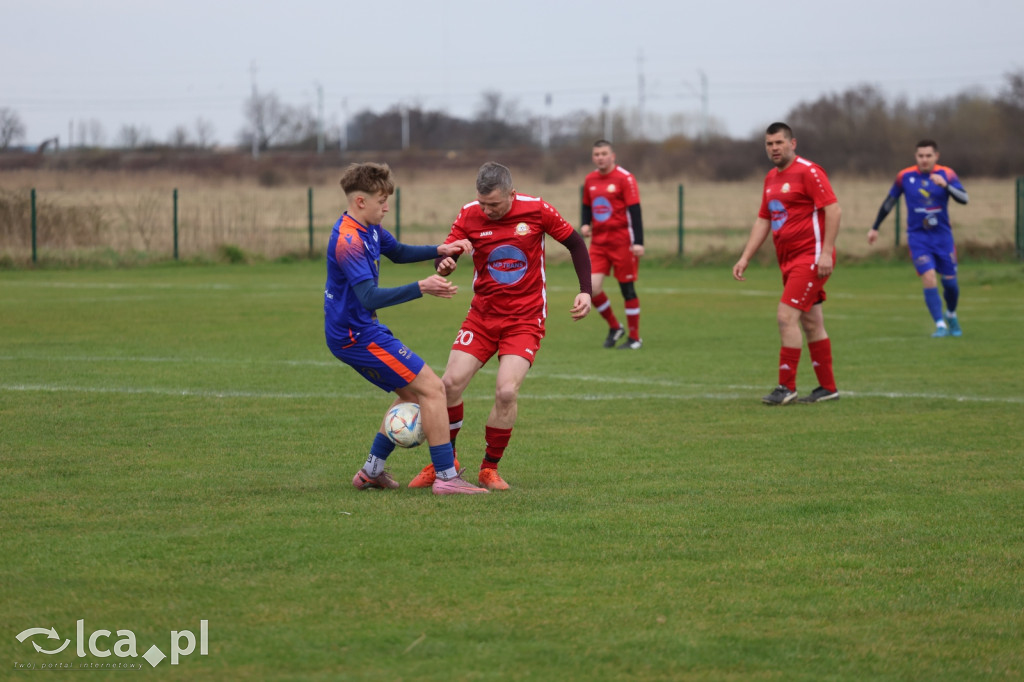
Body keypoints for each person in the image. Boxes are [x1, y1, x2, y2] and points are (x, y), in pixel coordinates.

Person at [408, 162, 593, 490]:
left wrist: (585, 291)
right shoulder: (469, 214)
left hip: (524, 318)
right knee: (449, 384)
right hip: (482, 316)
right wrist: (446, 262)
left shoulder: (537, 210)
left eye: (493, 204)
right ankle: (445, 464)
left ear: (511, 193)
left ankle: (489, 469)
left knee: (506, 391)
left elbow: (576, 244)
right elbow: (444, 256)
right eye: (482, 203)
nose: (486, 210)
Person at [324, 162, 487, 495]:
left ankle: (371, 471)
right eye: (382, 200)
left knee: (411, 395)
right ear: (360, 201)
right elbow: (368, 296)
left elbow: (397, 252)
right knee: (433, 389)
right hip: (357, 336)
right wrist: (422, 287)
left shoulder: (367, 228)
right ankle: (446, 477)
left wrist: (439, 249)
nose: (386, 207)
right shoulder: (348, 240)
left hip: (357, 331)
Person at [732, 122, 842, 405]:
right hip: (788, 260)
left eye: (779, 143)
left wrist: (826, 252)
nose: (774, 148)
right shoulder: (771, 178)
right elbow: (764, 219)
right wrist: (745, 257)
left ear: (793, 143)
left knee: (786, 317)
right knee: (811, 321)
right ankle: (828, 388)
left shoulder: (809, 171)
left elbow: (833, 209)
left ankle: (786, 386)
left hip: (811, 257)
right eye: (769, 144)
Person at [867, 139, 969, 337]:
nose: (924, 159)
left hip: (943, 237)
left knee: (950, 283)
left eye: (928, 156)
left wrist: (946, 186)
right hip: (918, 237)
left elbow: (964, 199)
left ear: (936, 156)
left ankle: (951, 314)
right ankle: (940, 324)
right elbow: (889, 202)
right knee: (929, 276)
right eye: (921, 156)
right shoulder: (904, 176)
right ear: (916, 157)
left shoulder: (947, 174)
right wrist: (875, 227)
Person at [579, 139, 645, 349]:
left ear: (612, 156)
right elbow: (587, 206)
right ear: (593, 157)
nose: (600, 157)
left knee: (627, 289)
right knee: (593, 288)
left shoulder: (625, 178)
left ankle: (635, 338)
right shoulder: (590, 179)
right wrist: (585, 224)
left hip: (622, 242)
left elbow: (635, 212)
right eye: (597, 154)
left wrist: (639, 242)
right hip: (599, 243)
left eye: (604, 153)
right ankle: (615, 327)